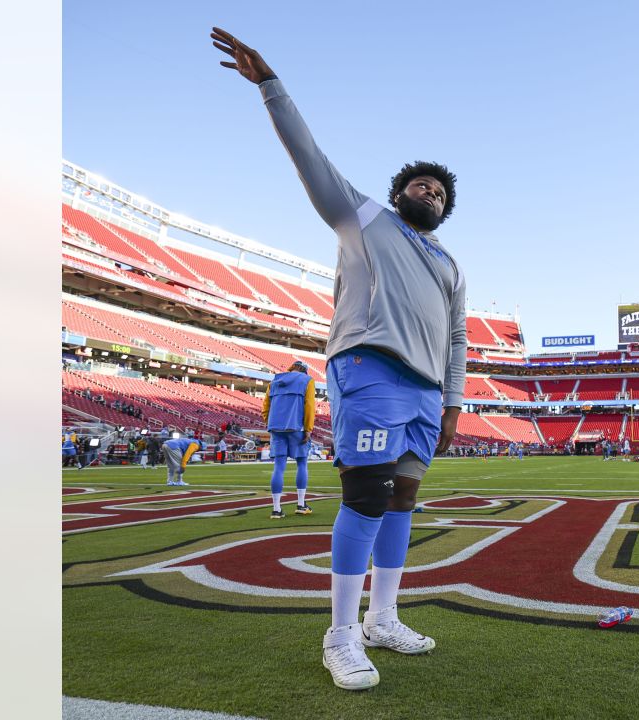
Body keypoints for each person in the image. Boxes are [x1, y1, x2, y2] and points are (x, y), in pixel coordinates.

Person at [213, 28, 465, 691]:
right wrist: (272, 87)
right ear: (399, 190)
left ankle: (383, 618)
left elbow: (457, 339)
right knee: (366, 494)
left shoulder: (451, 263)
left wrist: (455, 402)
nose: (429, 194)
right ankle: (340, 634)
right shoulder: (365, 217)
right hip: (370, 369)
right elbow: (310, 158)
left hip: (427, 393)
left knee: (404, 497)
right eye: (420, 184)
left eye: (439, 192)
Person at [261, 360, 317, 519]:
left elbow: (265, 407)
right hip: (297, 427)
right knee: (301, 464)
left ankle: (276, 509)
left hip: (276, 428)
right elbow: (310, 406)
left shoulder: (274, 381)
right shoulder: (308, 381)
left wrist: (270, 423)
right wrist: (308, 429)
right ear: (305, 371)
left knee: (278, 467)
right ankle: (300, 504)